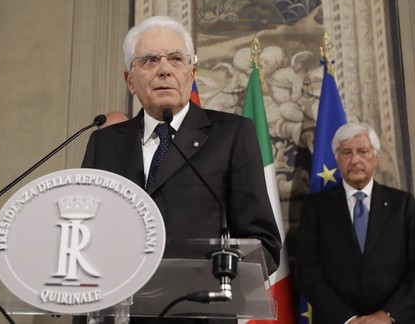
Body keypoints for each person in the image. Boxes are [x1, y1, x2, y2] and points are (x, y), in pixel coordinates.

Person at [82, 14, 281, 270]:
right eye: (150, 60)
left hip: (200, 305)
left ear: (192, 74)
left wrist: (218, 277)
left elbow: (263, 245)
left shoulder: (231, 134)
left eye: (176, 59)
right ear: (130, 81)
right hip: (121, 306)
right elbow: (84, 236)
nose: (164, 70)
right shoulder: (104, 143)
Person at [296, 122, 415, 324]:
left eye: (363, 152)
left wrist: (387, 315)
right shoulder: (316, 207)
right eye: (346, 153)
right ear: (337, 158)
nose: (355, 160)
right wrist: (347, 319)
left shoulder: (402, 204)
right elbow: (307, 271)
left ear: (376, 158)